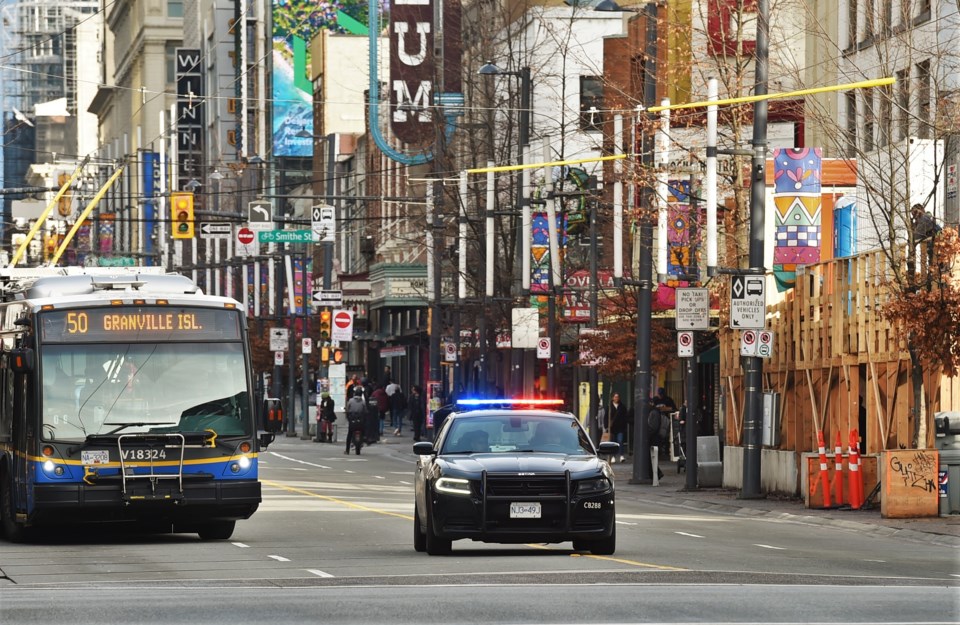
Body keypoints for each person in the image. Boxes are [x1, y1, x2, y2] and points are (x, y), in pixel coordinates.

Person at [344, 387, 367, 455]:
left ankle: (347, 450)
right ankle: (363, 441)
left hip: (352, 420)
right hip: (360, 421)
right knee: (363, 431)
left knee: (349, 434)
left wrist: (347, 414)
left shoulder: (351, 401)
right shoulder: (363, 401)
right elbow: (365, 410)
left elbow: (347, 409)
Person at [608, 392, 629, 463]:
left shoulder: (622, 407)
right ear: (612, 398)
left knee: (620, 441)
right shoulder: (609, 406)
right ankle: (613, 456)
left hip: (620, 428)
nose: (616, 398)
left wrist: (624, 426)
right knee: (613, 442)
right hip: (612, 428)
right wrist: (606, 426)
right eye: (615, 397)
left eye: (617, 397)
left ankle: (621, 455)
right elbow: (606, 417)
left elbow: (625, 417)